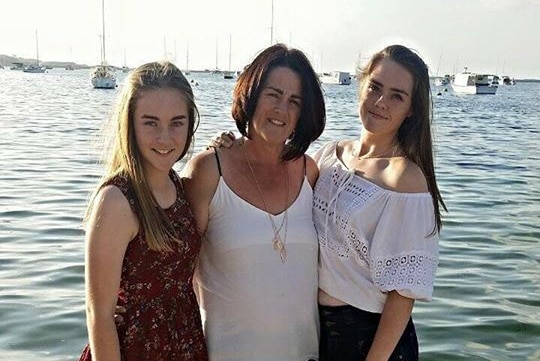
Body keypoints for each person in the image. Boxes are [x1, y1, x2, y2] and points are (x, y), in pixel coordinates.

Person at [210, 44, 446, 361]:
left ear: (411, 109)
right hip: (319, 330)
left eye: (396, 96)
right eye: (375, 87)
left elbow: (403, 294)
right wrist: (232, 146)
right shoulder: (329, 156)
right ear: (362, 85)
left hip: (371, 337)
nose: (380, 102)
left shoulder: (405, 180)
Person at [182, 43, 326, 361]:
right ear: (251, 94)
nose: (281, 110)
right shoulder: (209, 170)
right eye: (273, 95)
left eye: (294, 101)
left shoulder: (309, 172)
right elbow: (175, 266)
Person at [79, 61, 208, 361]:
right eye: (150, 122)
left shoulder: (177, 184)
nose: (165, 138)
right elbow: (98, 315)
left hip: (185, 340)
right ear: (130, 124)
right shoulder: (116, 201)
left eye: (177, 122)